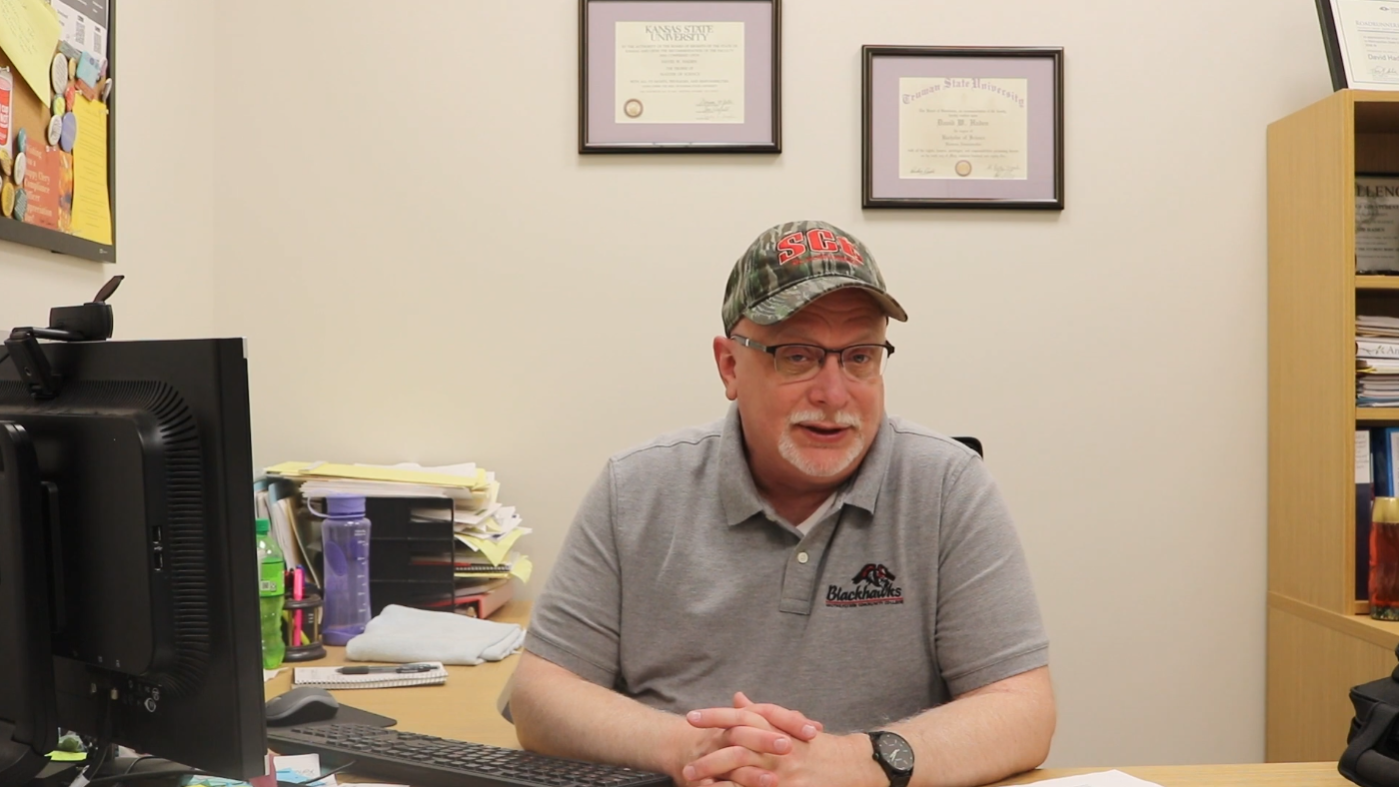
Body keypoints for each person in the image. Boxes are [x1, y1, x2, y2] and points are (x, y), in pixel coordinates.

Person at [508, 220, 1054, 787]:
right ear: (729, 366)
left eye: (860, 357)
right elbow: (540, 695)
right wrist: (695, 748)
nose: (834, 393)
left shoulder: (946, 486)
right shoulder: (637, 487)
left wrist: (848, 764)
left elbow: (1022, 709)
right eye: (798, 356)